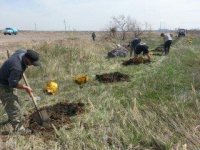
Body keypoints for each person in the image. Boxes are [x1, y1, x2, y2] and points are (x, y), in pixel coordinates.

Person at [0, 49, 40, 134]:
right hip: (3, 85)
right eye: (31, 63)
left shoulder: (21, 53)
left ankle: (12, 119)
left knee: (13, 104)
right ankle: (19, 129)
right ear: (27, 59)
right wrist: (25, 87)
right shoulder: (17, 67)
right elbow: (12, 84)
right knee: (14, 107)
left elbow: (17, 50)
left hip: (7, 79)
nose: (32, 65)